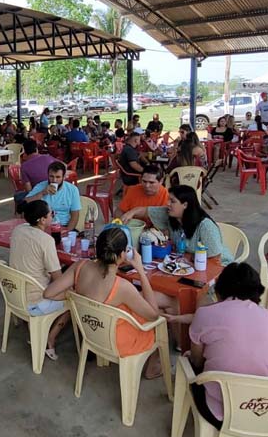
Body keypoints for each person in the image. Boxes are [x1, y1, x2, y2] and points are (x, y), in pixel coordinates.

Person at [165, 262, 268, 430]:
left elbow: (197, 362)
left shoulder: (205, 314)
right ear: (257, 292)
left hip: (222, 414)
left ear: (219, 291)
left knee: (189, 364)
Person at [44, 226, 163, 379]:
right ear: (122, 255)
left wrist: (72, 296)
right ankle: (152, 369)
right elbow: (154, 315)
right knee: (160, 324)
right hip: (116, 342)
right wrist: (140, 270)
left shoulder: (80, 266)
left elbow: (48, 293)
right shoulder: (123, 287)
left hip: (91, 334)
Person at [9, 200, 70, 361]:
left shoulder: (18, 230)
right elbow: (58, 280)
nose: (53, 217)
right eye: (51, 214)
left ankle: (32, 329)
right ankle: (50, 339)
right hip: (34, 302)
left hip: (14, 293)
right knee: (74, 298)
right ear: (42, 220)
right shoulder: (46, 240)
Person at [127, 185, 233, 263]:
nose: (168, 204)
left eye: (172, 201)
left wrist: (189, 258)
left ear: (185, 205)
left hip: (218, 269)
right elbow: (146, 211)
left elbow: (215, 258)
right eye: (168, 200)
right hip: (186, 264)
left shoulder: (205, 226)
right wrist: (130, 214)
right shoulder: (170, 215)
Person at [24, 161, 81, 228]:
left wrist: (67, 231)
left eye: (58, 177)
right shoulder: (41, 186)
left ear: (64, 177)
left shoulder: (72, 190)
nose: (54, 180)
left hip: (63, 225)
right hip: (43, 226)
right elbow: (25, 203)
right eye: (51, 176)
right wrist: (42, 193)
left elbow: (75, 216)